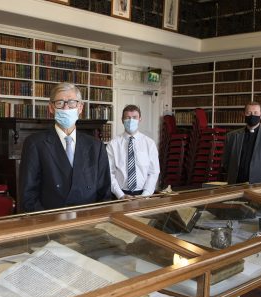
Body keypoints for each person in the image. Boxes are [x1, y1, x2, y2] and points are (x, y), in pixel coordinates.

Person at [19, 82, 111, 212]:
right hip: (51, 223)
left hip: (87, 222)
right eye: (60, 103)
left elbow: (104, 193)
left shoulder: (96, 146)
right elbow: (28, 195)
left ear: (80, 107)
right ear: (51, 108)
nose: (66, 108)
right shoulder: (35, 144)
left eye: (72, 102)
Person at [221, 101, 261, 184]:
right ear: (244, 114)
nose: (252, 115)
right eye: (249, 112)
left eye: (255, 113)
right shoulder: (231, 136)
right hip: (236, 184)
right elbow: (226, 162)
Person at [106, 104, 160, 199]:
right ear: (122, 120)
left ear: (140, 119)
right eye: (127, 117)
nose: (131, 121)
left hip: (144, 195)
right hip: (119, 194)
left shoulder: (149, 143)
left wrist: (145, 195)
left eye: (134, 117)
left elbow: (154, 172)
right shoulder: (113, 144)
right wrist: (121, 195)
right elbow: (109, 173)